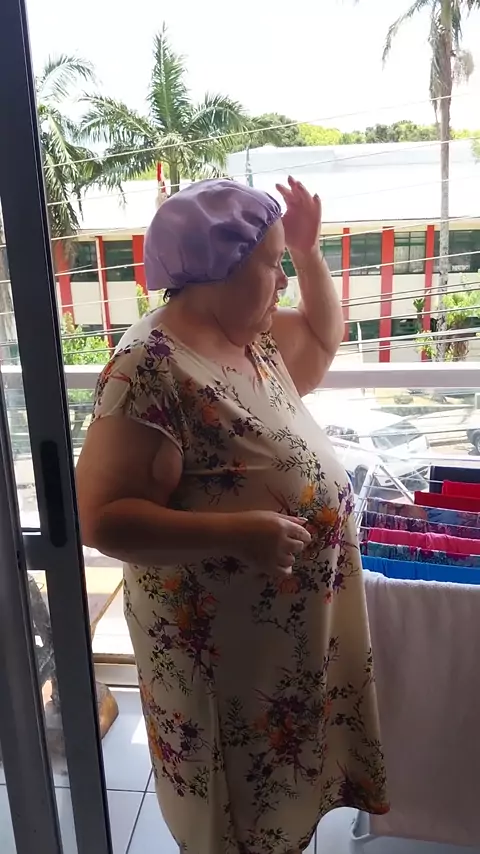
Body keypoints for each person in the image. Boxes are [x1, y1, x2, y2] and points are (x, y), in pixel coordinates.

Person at [76, 177, 388, 854]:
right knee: (238, 820)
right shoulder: (150, 369)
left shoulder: (252, 338)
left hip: (280, 652)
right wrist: (238, 534)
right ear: (218, 268)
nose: (283, 282)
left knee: (278, 810)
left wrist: (307, 252)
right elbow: (102, 519)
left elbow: (324, 342)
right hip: (223, 668)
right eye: (272, 264)